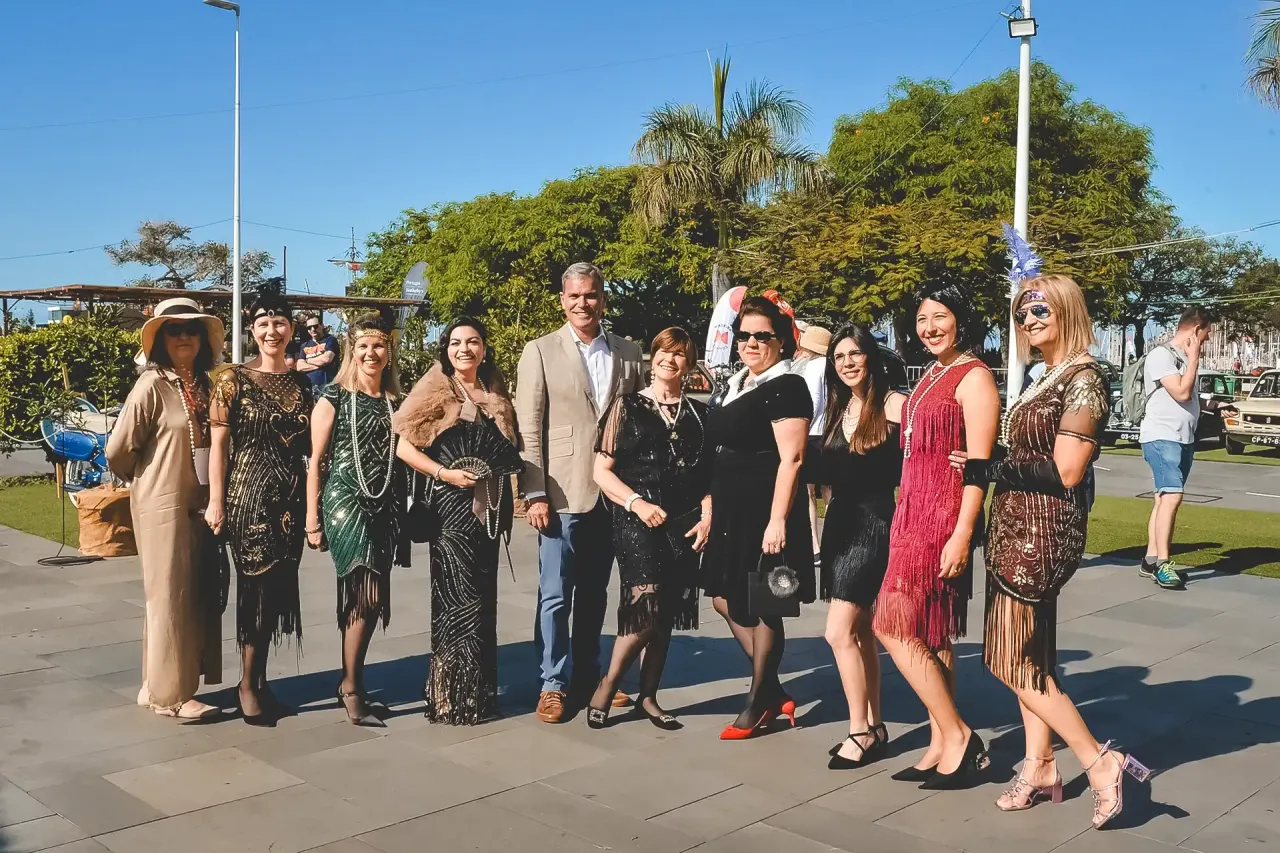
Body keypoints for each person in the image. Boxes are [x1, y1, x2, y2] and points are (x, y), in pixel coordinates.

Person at [956, 275, 1150, 829]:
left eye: (1040, 310)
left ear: (1067, 311)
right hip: (1016, 526)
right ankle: (1040, 765)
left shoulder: (1084, 379)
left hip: (1040, 533)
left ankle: (1099, 760)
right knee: (1031, 658)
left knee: (1006, 659)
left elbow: (1067, 470)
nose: (1028, 321)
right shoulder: (1048, 374)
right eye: (1022, 313)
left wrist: (990, 467)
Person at [874, 282, 998, 789]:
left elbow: (980, 467)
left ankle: (959, 734)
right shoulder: (931, 373)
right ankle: (940, 743)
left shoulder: (975, 377)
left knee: (891, 623)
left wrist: (963, 533)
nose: (929, 328)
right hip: (911, 511)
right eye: (922, 318)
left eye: (940, 316)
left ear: (961, 319)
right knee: (930, 631)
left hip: (943, 516)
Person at [515, 262, 644, 723]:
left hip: (613, 492)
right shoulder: (539, 351)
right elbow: (529, 427)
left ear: (602, 300)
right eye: (574, 296)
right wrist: (534, 492)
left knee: (595, 592)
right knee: (555, 594)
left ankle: (590, 675)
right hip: (561, 491)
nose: (582, 303)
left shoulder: (629, 352)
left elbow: (639, 421)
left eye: (590, 295)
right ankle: (552, 683)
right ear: (562, 301)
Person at [585, 327, 713, 731]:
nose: (669, 360)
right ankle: (608, 685)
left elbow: (708, 477)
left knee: (665, 614)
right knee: (645, 609)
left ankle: (649, 696)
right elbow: (601, 471)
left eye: (679, 354)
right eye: (663, 351)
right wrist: (636, 503)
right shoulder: (626, 406)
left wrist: (708, 515)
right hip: (637, 520)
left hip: (684, 523)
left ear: (689, 365)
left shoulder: (699, 414)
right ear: (651, 358)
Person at [394, 316, 519, 725]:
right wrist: (443, 473)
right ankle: (448, 696)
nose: (465, 349)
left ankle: (478, 694)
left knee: (483, 597)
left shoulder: (494, 390)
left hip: (489, 507)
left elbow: (508, 448)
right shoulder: (436, 387)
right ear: (446, 349)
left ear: (484, 348)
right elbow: (403, 447)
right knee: (454, 598)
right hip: (450, 506)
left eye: (473, 341)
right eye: (456, 343)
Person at [106, 297, 226, 723]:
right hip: (163, 500)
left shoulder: (204, 384)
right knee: (168, 592)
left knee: (189, 592)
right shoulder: (151, 386)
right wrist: (148, 479)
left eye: (192, 329)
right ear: (160, 339)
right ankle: (171, 696)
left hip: (199, 500)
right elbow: (118, 450)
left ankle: (154, 683)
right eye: (174, 329)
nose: (184, 336)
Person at [704, 295, 814, 740]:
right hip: (732, 511)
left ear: (781, 341)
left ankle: (758, 700)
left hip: (767, 511)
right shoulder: (738, 383)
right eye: (743, 335)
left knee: (767, 604)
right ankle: (771, 687)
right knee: (724, 597)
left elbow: (793, 458)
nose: (750, 343)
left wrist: (778, 520)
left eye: (761, 336)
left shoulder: (787, 386)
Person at [206, 294, 313, 727]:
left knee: (278, 590)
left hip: (291, 496)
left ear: (291, 329)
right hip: (248, 495)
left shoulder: (302, 383)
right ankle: (247, 685)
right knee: (256, 589)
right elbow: (218, 446)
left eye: (280, 322)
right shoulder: (232, 380)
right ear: (251, 330)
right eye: (264, 323)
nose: (273, 331)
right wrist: (216, 500)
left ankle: (262, 680)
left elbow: (313, 445)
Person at [805, 324, 905, 769]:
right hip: (840, 525)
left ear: (871, 357)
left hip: (874, 524)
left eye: (854, 354)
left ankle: (858, 730)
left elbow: (923, 459)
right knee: (861, 631)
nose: (846, 363)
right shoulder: (838, 407)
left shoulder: (895, 404)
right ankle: (876, 726)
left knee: (837, 632)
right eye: (838, 356)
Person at [306, 313, 405, 728]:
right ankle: (349, 687)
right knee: (365, 591)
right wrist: (312, 520)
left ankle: (354, 681)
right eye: (363, 346)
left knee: (372, 597)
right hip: (345, 501)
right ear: (351, 351)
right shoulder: (333, 396)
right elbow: (316, 461)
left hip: (385, 504)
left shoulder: (396, 400)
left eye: (378, 346)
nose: (371, 353)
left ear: (389, 352)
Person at [1139, 306, 1213, 591]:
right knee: (1172, 496)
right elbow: (1181, 392)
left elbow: (1190, 396)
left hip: (1184, 438)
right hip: (1162, 436)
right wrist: (1193, 358)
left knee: (1163, 498)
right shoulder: (1162, 356)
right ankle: (1163, 564)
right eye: (1206, 334)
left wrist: (1217, 405)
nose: (1207, 340)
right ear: (1196, 329)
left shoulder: (1182, 359)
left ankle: (1150, 559)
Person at [793, 322, 831, 562]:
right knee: (829, 490)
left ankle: (814, 544)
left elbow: (813, 400)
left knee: (808, 491)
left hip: (812, 432)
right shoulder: (832, 365)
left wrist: (803, 426)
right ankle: (832, 540)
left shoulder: (812, 366)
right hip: (830, 432)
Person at [298, 315, 340, 399]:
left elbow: (326, 359)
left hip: (328, 388)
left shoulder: (330, 340)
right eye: (309, 327)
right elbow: (299, 366)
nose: (313, 329)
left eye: (315, 326)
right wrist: (320, 365)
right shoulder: (304, 345)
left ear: (322, 325)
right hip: (309, 390)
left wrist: (308, 360)